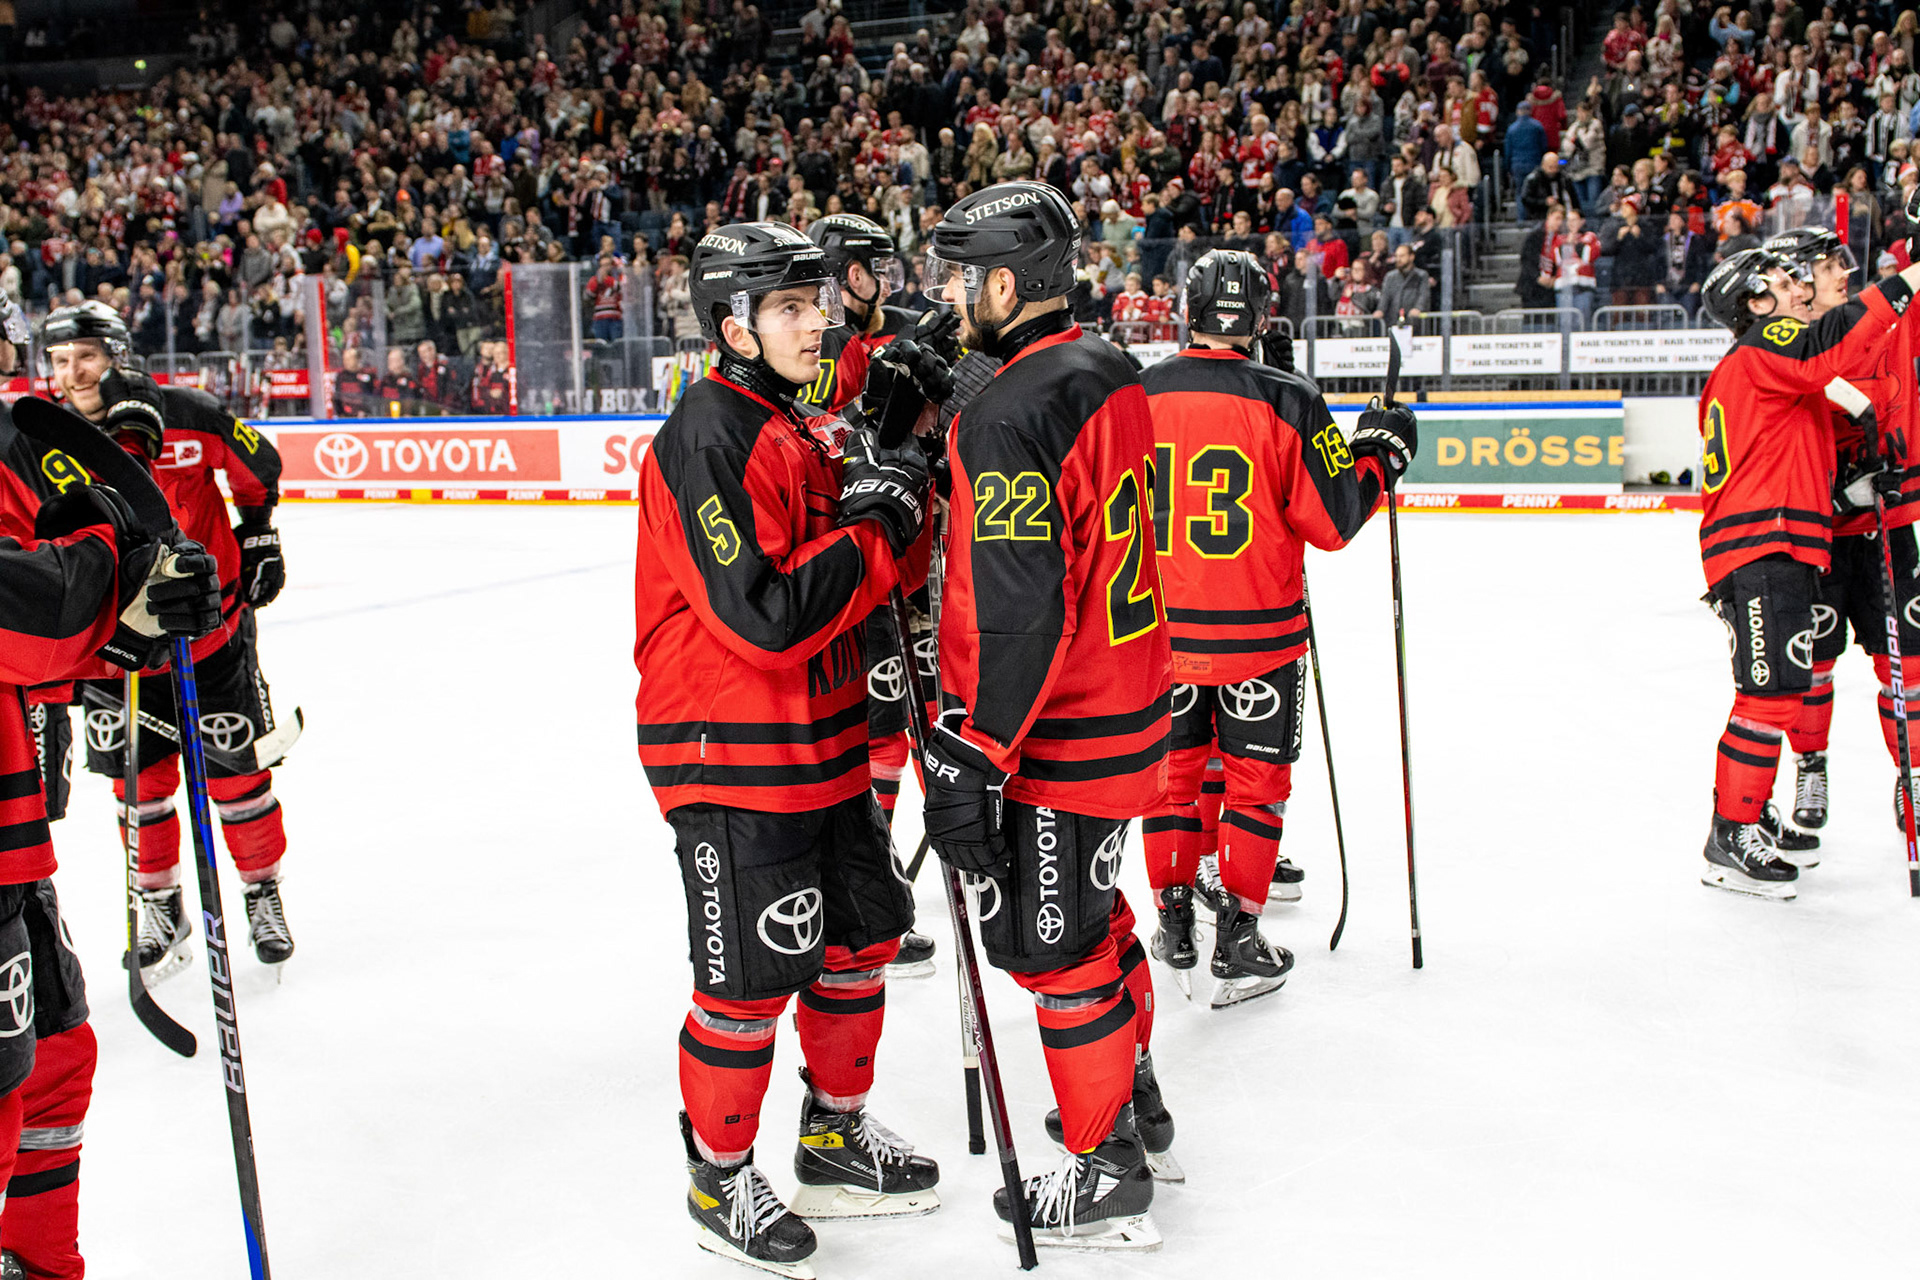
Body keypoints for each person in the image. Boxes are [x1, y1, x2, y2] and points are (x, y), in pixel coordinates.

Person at [633, 221, 942, 1277]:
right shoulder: (707, 435)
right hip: (731, 751)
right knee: (751, 977)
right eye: (793, 307)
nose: (823, 321)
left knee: (859, 938)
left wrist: (906, 466)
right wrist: (874, 520)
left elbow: (871, 566)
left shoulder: (798, 427)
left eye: (821, 301)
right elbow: (764, 612)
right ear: (734, 326)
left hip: (823, 742)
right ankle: (719, 1174)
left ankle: (831, 1130)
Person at [922, 181, 1171, 1250]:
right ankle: (1137, 1094)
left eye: (957, 274)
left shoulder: (1009, 409)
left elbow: (1023, 607)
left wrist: (977, 749)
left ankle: (1108, 1160)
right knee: (1101, 916)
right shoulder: (1106, 366)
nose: (943, 293)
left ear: (1006, 283)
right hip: (1129, 700)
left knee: (1055, 942)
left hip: (1058, 729)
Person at [0, 312, 223, 1279]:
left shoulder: (21, 437)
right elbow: (42, 607)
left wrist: (137, 609)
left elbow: (53, 627)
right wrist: (111, 533)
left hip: (13, 839)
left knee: (53, 1064)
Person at [1136, 248, 1414, 1012]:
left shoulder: (1135, 390)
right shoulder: (1289, 396)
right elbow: (1332, 521)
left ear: (1186, 311)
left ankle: (1175, 921)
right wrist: (1382, 456)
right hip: (1258, 636)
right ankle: (1240, 937)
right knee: (1256, 789)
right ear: (1262, 314)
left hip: (1157, 640)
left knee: (1172, 784)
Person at [40, 302, 298, 970]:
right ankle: (161, 905)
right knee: (139, 787)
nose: (75, 373)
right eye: (62, 361)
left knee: (235, 772)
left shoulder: (187, 413)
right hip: (116, 652)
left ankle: (260, 892)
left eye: (87, 356)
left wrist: (260, 528)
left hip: (210, 639)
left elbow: (257, 461)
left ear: (120, 356)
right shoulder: (46, 440)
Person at [1692, 243, 1920, 899]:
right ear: (1754, 302)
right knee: (1769, 695)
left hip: (1774, 544)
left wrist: (1847, 490)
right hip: (1763, 547)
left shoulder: (1767, 372)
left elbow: (1795, 449)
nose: (1798, 287)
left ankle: (1744, 812)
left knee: (1780, 689)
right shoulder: (1769, 346)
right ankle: (1729, 836)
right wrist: (1910, 275)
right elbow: (1834, 340)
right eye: (1783, 280)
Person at [792, 211, 942, 978]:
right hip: (870, 568)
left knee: (938, 725)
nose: (888, 276)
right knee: (884, 733)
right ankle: (872, 882)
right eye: (875, 264)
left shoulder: (913, 326)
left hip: (922, 558)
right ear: (849, 270)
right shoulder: (824, 350)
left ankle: (961, 856)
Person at [1767, 224, 1920, 839]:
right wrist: (1835, 491)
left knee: (1907, 664)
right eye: (1829, 265)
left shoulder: (1886, 323)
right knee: (1816, 665)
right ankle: (1810, 763)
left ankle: (1912, 779)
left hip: (1891, 525)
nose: (1844, 273)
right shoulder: (1789, 349)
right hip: (1821, 535)